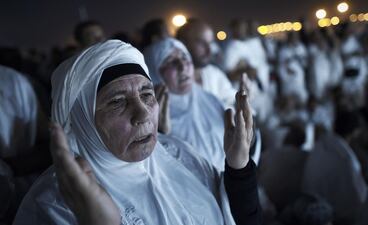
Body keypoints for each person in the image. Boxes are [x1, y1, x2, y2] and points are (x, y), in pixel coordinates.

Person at [12, 40, 255, 225]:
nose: (143, 114)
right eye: (117, 102)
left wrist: (239, 168)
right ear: (82, 121)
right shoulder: (57, 204)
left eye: (147, 95)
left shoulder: (178, 154)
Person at [144, 38, 261, 171]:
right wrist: (160, 136)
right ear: (154, 72)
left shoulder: (210, 99)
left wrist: (246, 124)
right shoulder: (151, 120)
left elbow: (241, 147)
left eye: (184, 57)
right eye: (170, 61)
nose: (182, 66)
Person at [0, 65, 51, 223]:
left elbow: (49, 139)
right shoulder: (15, 80)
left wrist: (11, 167)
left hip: (17, 197)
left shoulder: (14, 81)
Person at [176, 19, 237, 108]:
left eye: (210, 43)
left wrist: (242, 101)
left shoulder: (214, 74)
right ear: (182, 43)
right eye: (201, 43)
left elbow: (231, 99)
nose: (209, 50)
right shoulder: (170, 79)